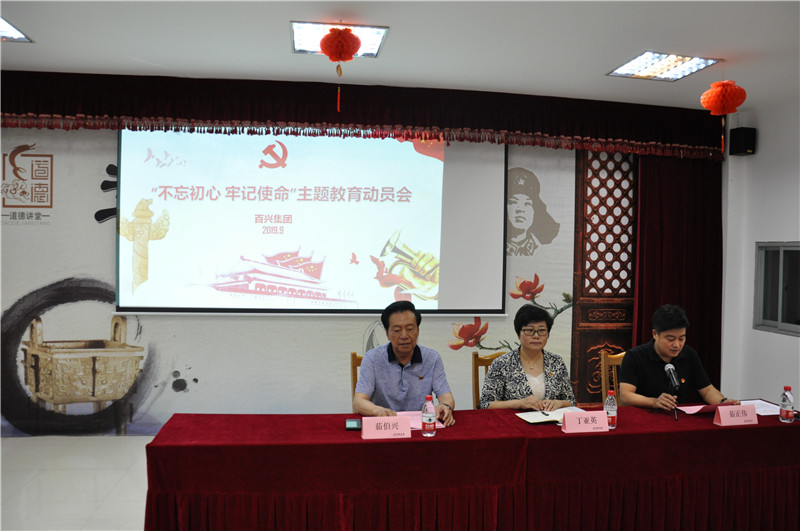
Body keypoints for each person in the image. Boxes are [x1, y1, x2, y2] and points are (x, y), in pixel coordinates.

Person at [353, 301, 456, 426]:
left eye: (410, 329)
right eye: (397, 330)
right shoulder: (372, 358)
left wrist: (445, 406)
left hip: (421, 427)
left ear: (417, 331)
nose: (404, 336)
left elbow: (446, 397)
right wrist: (378, 411)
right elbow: (358, 401)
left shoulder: (432, 358)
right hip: (386, 425)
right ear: (387, 333)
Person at [619, 304, 739, 410]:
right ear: (655, 334)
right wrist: (654, 402)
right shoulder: (635, 356)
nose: (677, 345)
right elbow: (625, 397)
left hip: (679, 418)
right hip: (645, 418)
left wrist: (723, 402)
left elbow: (707, 390)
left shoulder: (689, 354)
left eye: (681, 338)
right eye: (670, 339)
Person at [479, 304, 576, 410]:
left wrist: (558, 403)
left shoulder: (556, 362)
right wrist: (519, 403)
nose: (536, 336)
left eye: (542, 330)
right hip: (512, 419)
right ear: (518, 334)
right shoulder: (502, 363)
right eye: (529, 330)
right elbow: (486, 404)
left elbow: (571, 401)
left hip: (550, 419)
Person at [506, 167, 560, 256]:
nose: (520, 209)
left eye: (527, 203)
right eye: (513, 202)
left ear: (535, 210)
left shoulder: (545, 251)